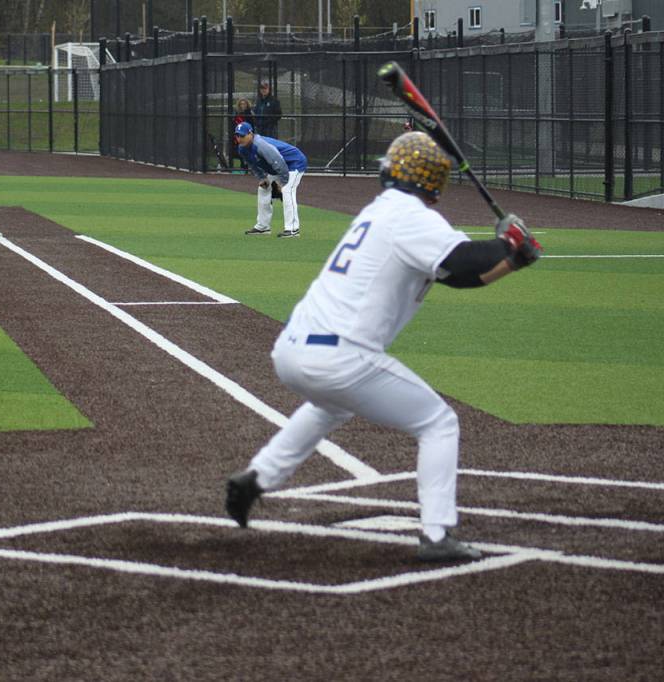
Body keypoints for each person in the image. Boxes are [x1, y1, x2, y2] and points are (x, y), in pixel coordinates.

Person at [224, 131, 543, 562]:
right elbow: (462, 263)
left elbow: (463, 272)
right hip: (340, 355)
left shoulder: (382, 211)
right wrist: (509, 244)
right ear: (434, 181)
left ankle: (255, 480)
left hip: (293, 349)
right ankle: (436, 535)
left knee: (331, 406)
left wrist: (510, 257)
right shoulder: (412, 218)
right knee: (438, 423)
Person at [234, 121, 307, 239]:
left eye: (242, 135)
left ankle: (293, 229)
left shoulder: (260, 145)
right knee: (263, 189)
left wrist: (282, 182)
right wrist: (262, 178)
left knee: (287, 190)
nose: (239, 138)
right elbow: (252, 164)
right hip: (277, 167)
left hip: (294, 162)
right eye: (237, 135)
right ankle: (263, 227)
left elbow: (278, 161)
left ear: (250, 134)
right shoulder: (242, 149)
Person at [231, 98, 254, 168]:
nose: (243, 105)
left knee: (247, 150)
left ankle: (247, 166)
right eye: (241, 104)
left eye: (244, 104)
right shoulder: (237, 114)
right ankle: (242, 166)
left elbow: (251, 125)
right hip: (238, 135)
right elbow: (234, 124)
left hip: (246, 135)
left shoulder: (249, 113)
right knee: (239, 150)